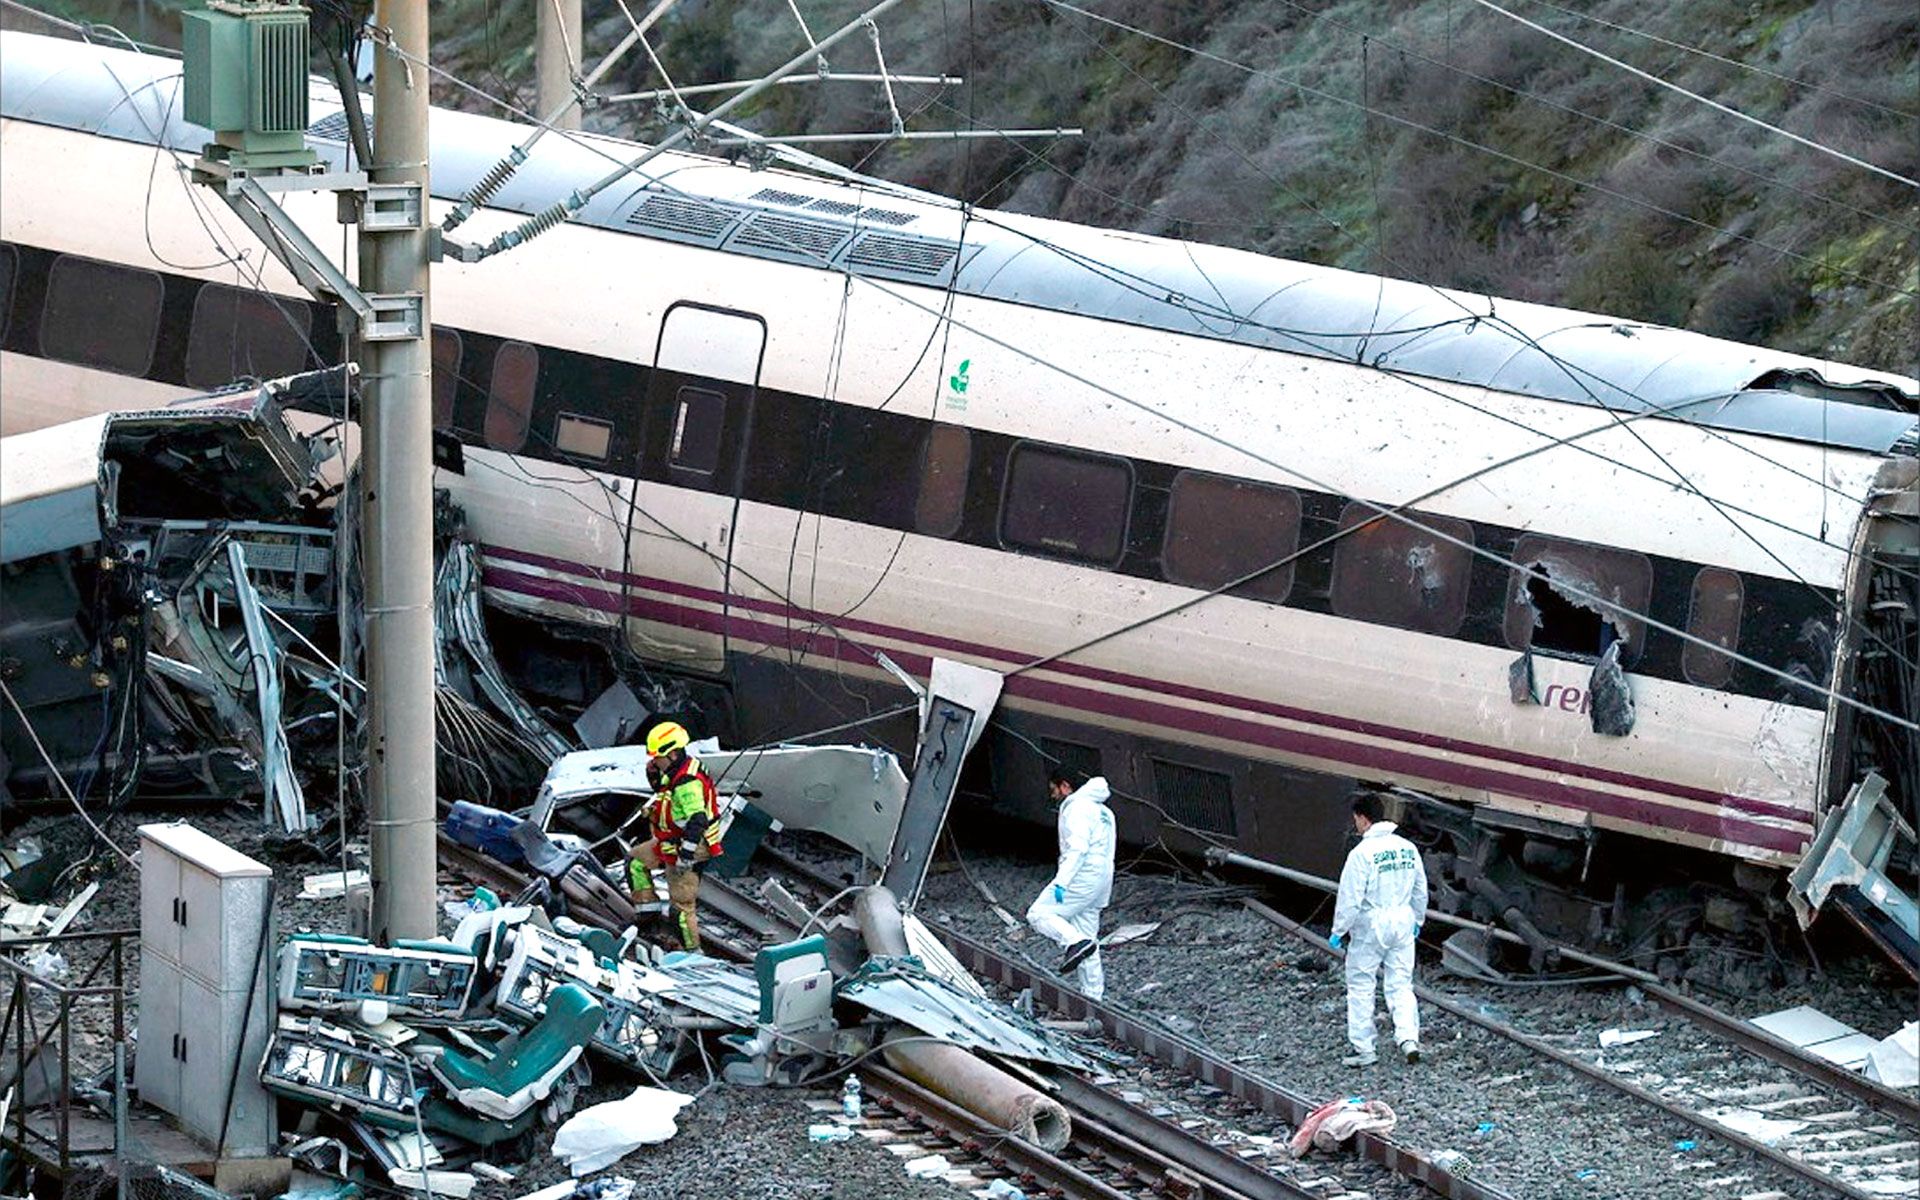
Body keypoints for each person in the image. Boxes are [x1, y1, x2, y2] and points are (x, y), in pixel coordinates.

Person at [1329, 792, 1427, 1067]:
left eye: (1356, 819)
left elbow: (1350, 898)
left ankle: (1365, 1049)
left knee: (1361, 985)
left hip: (1371, 925)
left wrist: (1339, 930)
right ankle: (1408, 1039)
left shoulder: (1361, 854)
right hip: (1403, 922)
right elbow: (1420, 890)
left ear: (1362, 818)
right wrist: (1417, 920)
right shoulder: (1408, 848)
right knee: (1400, 984)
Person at [626, 721, 723, 952]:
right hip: (671, 840)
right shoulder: (678, 769)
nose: (654, 761)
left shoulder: (687, 783)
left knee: (681, 906)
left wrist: (685, 855)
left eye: (657, 757)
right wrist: (652, 773)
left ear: (672, 753)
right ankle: (648, 916)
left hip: (690, 845)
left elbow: (697, 820)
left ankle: (692, 951)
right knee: (636, 862)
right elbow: (662, 790)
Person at [1025, 767, 1116, 999]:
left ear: (1065, 786)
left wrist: (1061, 882)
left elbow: (1077, 849)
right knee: (1088, 936)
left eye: (1054, 789)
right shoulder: (1104, 812)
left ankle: (1073, 942)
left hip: (1082, 875)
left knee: (1038, 914)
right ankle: (1093, 997)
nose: (1053, 795)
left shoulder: (1076, 807)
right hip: (1102, 879)